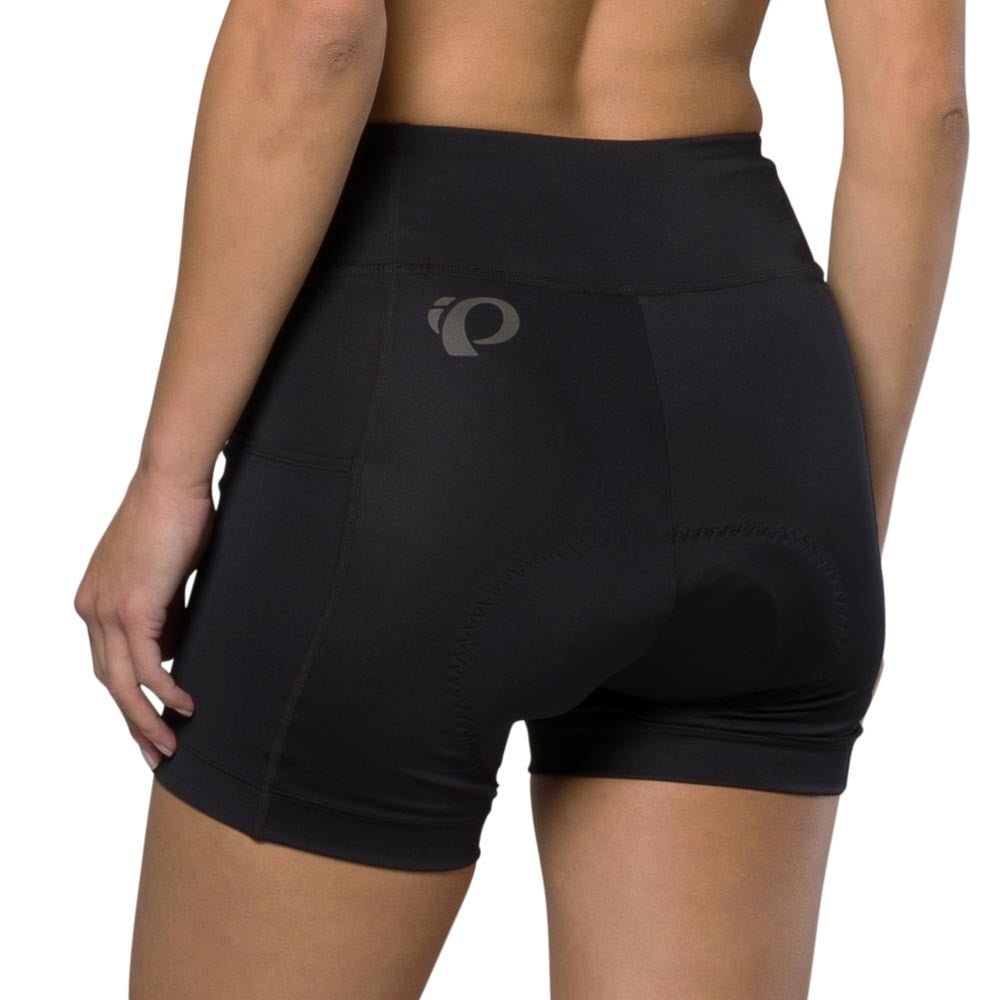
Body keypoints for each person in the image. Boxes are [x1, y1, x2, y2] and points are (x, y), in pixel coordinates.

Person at [74, 1, 968, 997]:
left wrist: (169, 473)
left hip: (427, 367)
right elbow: (921, 109)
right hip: (753, 377)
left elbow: (313, 29)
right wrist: (842, 506)